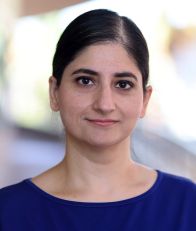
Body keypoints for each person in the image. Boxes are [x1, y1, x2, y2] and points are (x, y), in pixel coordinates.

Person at [0, 9, 195, 231]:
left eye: (123, 84)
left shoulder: (186, 205)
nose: (104, 104)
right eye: (85, 81)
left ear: (145, 99)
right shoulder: (8, 211)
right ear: (55, 92)